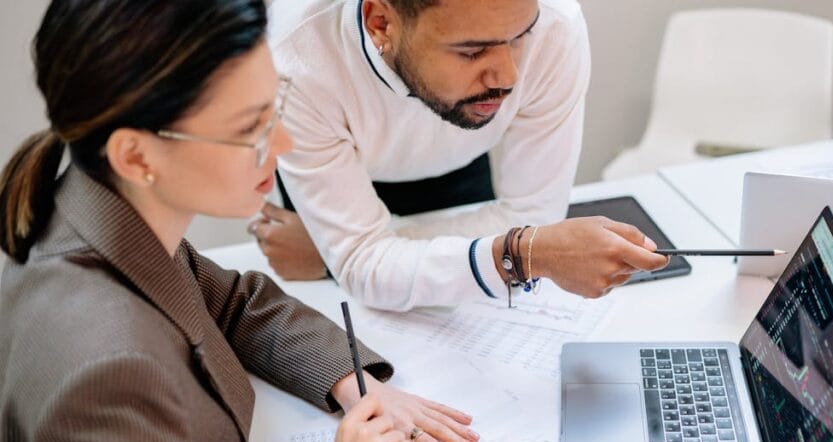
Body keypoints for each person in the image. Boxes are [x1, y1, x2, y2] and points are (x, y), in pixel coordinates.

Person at [0, 1, 478, 442]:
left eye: (275, 107)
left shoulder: (102, 209)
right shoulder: (106, 371)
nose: (284, 143)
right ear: (136, 157)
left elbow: (231, 303)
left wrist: (352, 381)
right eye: (252, 127)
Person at [248, 0, 668, 311]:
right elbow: (363, 266)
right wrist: (521, 252)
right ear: (380, 23)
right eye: (471, 51)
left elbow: (533, 220)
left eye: (520, 38)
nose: (508, 78)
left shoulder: (556, 27)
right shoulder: (297, 63)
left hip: (462, 158)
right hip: (339, 156)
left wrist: (331, 257)